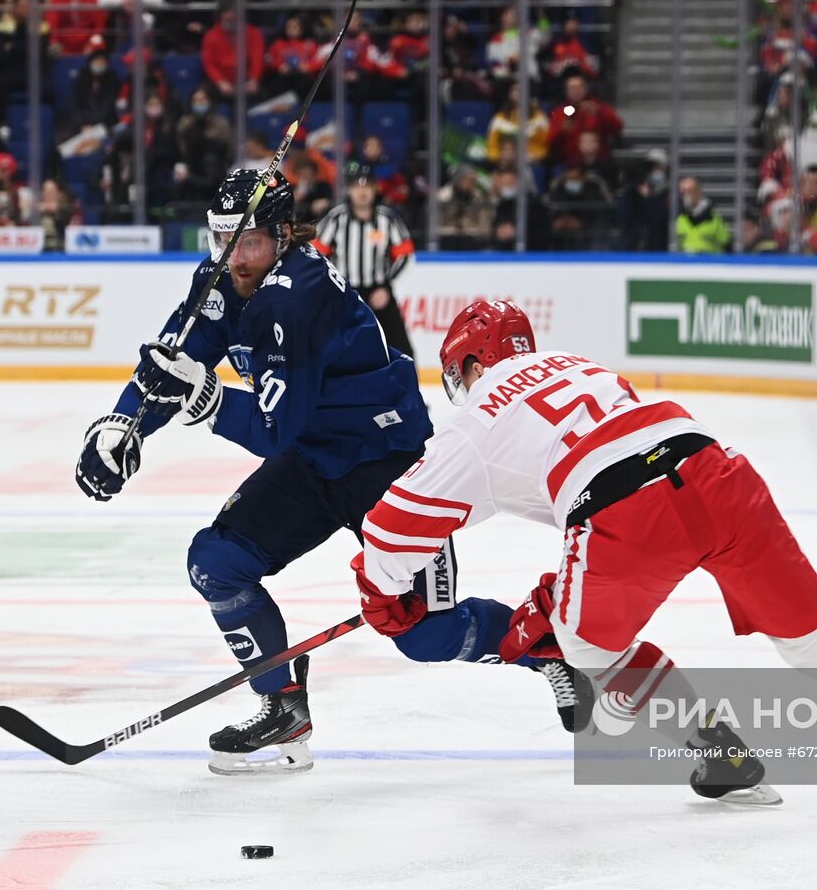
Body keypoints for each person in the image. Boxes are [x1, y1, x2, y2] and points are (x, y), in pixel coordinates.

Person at [350, 300, 817, 810]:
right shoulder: (579, 367)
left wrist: (382, 594)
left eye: (459, 376)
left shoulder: (477, 414)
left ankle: (716, 748)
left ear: (470, 364)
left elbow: (388, 529)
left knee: (587, 650)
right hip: (714, 470)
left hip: (622, 511)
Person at [74, 170, 593, 776]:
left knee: (424, 634)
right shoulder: (219, 278)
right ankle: (283, 709)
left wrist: (207, 400)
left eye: (249, 244)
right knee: (216, 563)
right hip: (314, 456)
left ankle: (546, 647)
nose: (234, 259)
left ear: (284, 235)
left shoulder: (299, 294)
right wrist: (123, 424)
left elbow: (271, 428)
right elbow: (174, 362)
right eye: (222, 241)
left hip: (389, 467)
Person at [314, 163, 417, 360]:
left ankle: (405, 390)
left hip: (379, 292)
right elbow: (316, 255)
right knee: (330, 347)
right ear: (349, 190)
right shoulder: (336, 219)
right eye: (357, 186)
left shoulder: (387, 219)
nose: (362, 191)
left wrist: (386, 287)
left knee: (402, 350)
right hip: (344, 294)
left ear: (374, 189)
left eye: (367, 186)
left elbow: (405, 255)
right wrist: (331, 287)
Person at [675, 176, 729, 254]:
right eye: (682, 193)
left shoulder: (715, 219)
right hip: (686, 265)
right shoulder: (680, 219)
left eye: (688, 191)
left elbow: (726, 244)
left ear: (698, 192)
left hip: (710, 264)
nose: (685, 196)